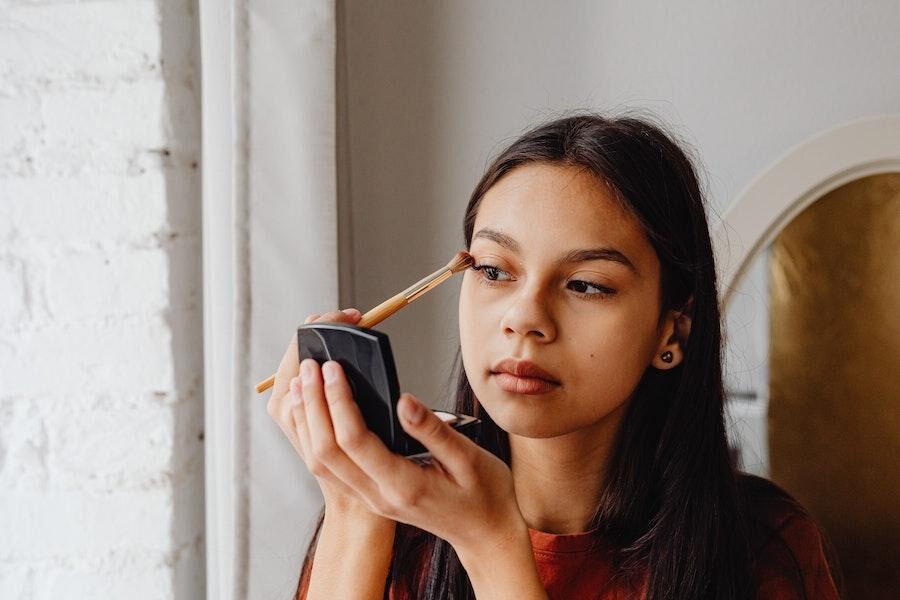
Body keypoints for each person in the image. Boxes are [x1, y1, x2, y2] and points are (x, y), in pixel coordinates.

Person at [266, 112, 842, 599]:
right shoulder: (396, 527)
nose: (525, 318)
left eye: (586, 284)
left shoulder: (764, 547)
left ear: (672, 333)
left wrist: (492, 544)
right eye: (495, 271)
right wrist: (354, 504)